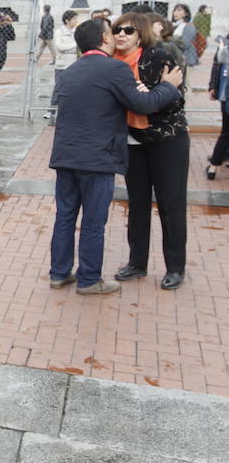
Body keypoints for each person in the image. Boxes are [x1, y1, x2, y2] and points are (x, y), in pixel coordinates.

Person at [49, 18, 183, 295]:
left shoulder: (69, 71)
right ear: (104, 38)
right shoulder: (115, 68)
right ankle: (88, 280)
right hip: (97, 159)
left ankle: (59, 274)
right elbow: (143, 104)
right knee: (93, 222)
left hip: (66, 156)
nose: (118, 36)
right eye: (113, 32)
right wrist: (167, 86)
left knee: (65, 217)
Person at [111, 12, 189, 290]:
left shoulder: (159, 57)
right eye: (117, 29)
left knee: (171, 205)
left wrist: (150, 94)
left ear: (140, 33)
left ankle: (175, 267)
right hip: (133, 141)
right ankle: (137, 262)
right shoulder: (112, 63)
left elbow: (176, 100)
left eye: (129, 31)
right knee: (138, 204)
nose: (121, 34)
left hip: (166, 140)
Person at [44, 10, 79, 120]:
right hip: (62, 65)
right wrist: (74, 45)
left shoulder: (77, 31)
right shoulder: (59, 32)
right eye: (74, 19)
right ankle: (52, 111)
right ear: (67, 20)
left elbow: (79, 46)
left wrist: (70, 47)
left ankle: (71, 111)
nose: (76, 21)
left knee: (74, 88)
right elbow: (60, 47)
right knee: (59, 88)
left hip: (74, 63)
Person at [207, 35, 228, 180]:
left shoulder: (224, 43)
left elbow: (217, 65)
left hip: (226, 94)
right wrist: (213, 86)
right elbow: (217, 65)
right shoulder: (224, 43)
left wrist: (213, 86)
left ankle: (214, 165)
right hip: (226, 95)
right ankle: (215, 163)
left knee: (226, 132)